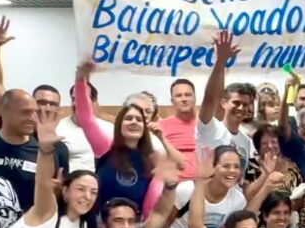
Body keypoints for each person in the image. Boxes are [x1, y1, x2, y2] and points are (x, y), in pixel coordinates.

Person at [73, 62, 181, 213]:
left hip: (133, 227)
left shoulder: (152, 158)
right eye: (129, 118)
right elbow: (86, 118)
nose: (134, 122)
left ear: (145, 127)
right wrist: (81, 79)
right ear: (119, 124)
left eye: (139, 119)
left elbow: (154, 200)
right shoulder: (105, 146)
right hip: (100, 221)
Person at [0, 89, 70, 228]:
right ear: (4, 112)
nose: (32, 118)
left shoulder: (55, 149)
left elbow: (57, 198)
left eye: (35, 113)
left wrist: (58, 192)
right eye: (25, 112)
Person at [0, 14, 64, 131]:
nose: (47, 108)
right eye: (41, 102)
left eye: (53, 104)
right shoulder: (13, 122)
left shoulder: (61, 136)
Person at [197, 31, 255, 178]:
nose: (241, 108)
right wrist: (220, 62)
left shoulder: (247, 142)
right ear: (224, 103)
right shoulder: (210, 126)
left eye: (245, 104)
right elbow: (210, 98)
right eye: (236, 102)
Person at [159, 77, 200, 180]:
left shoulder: (206, 125)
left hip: (205, 184)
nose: (184, 99)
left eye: (188, 95)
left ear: (195, 98)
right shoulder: (160, 127)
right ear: (172, 101)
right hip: (174, 185)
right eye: (178, 96)